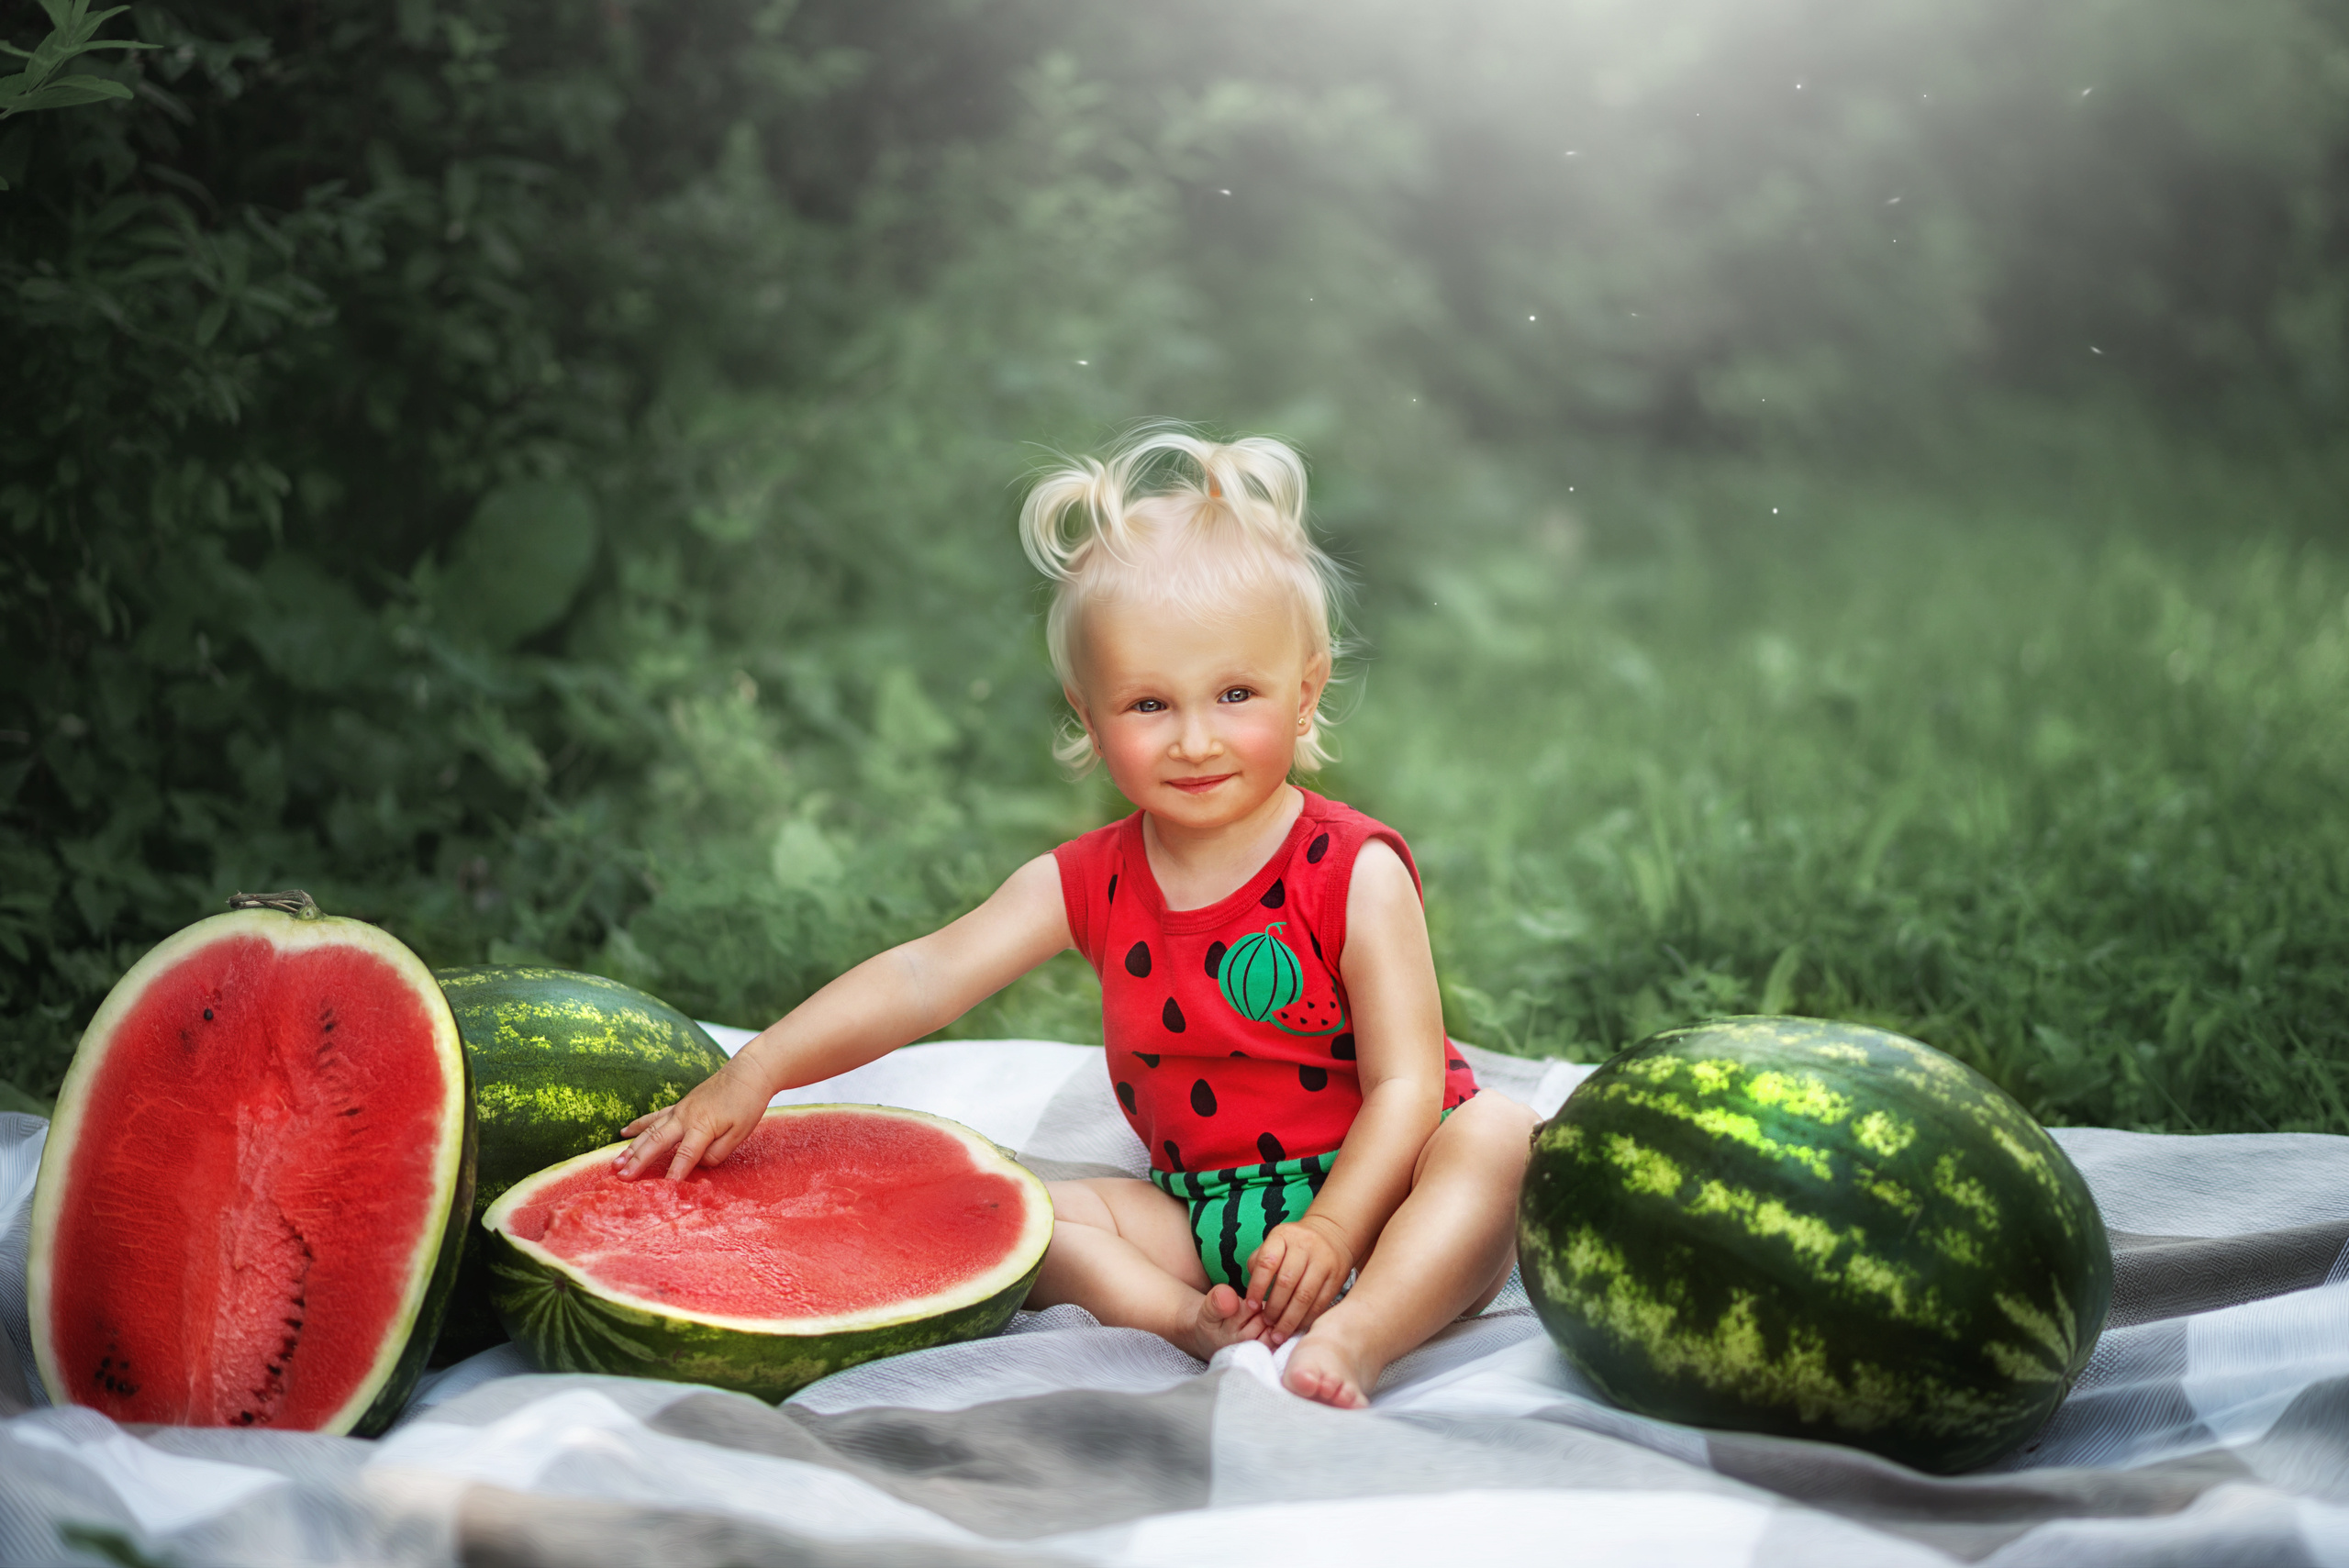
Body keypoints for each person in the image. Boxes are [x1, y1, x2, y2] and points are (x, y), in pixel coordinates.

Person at [614, 428, 1539, 1408]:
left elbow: (1405, 1084)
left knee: (1499, 1135)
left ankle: (1359, 1334)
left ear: (1304, 692)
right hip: (1204, 1217)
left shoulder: (1352, 869)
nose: (1194, 739)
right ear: (1089, 717)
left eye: (1235, 694)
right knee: (1018, 1210)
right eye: (1148, 704)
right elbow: (926, 975)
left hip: (1393, 1196)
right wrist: (759, 1067)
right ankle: (1187, 1320)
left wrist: (1334, 1232)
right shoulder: (1090, 879)